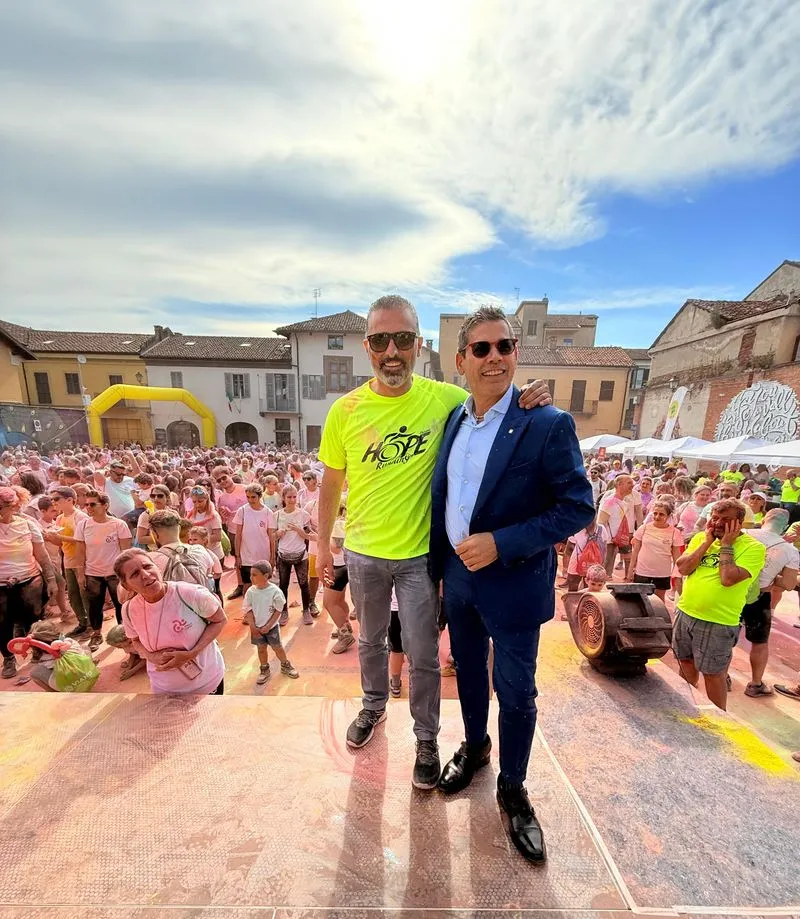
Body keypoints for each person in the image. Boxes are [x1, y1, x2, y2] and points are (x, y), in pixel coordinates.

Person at [316, 295, 550, 791]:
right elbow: (331, 484)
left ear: (418, 345)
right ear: (367, 347)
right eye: (381, 340)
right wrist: (322, 548)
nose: (392, 350)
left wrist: (529, 392)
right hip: (363, 552)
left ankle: (426, 739)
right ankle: (373, 706)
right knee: (369, 640)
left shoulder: (445, 399)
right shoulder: (345, 410)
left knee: (423, 655)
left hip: (420, 556)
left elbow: (492, 395)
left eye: (402, 339)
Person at [429, 305, 594, 865]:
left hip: (515, 581)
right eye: (482, 348)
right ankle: (476, 747)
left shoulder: (546, 422)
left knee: (518, 691)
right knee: (469, 673)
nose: (494, 357)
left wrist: (502, 542)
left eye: (505, 346)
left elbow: (577, 507)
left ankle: (513, 787)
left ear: (516, 353)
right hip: (459, 577)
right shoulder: (454, 420)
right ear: (461, 360)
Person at [673, 499, 766, 710]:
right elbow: (683, 568)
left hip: (718, 622)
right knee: (685, 662)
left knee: (713, 674)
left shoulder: (754, 548)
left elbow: (728, 578)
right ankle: (684, 708)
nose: (717, 523)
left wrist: (726, 545)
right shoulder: (701, 538)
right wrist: (707, 542)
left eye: (725, 519)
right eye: (715, 518)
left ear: (739, 523)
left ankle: (719, 718)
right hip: (686, 613)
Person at [114, 548, 226, 694]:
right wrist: (151, 656)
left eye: (147, 566)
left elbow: (220, 620)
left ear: (158, 568)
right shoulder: (129, 609)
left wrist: (192, 653)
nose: (145, 575)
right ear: (126, 585)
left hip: (206, 683)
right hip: (162, 688)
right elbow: (135, 640)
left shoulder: (190, 594)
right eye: (135, 574)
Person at [0, 486, 58, 679]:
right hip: (1, 587)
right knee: (2, 625)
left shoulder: (27, 525)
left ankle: (38, 652)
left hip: (30, 582)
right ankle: (9, 658)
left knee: (34, 621)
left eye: (1, 508)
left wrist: (51, 580)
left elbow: (42, 556)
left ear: (13, 506)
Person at [739, 509, 798, 697]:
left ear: (764, 519)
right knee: (759, 641)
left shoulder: (743, 534)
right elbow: (789, 584)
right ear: (785, 526)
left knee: (726, 636)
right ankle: (755, 684)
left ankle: (722, 677)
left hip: (733, 591)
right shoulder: (790, 550)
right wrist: (772, 578)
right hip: (760, 597)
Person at [73, 490, 132, 652]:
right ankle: (96, 634)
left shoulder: (118, 525)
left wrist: (125, 575)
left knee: (121, 605)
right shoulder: (83, 525)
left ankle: (123, 634)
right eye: (86, 504)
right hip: (92, 573)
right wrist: (80, 574)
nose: (88, 508)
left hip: (115, 574)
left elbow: (126, 552)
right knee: (94, 605)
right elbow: (80, 552)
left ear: (105, 505)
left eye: (92, 504)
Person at [242, 561, 299, 684]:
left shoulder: (275, 591)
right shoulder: (251, 592)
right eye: (251, 574)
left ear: (266, 575)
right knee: (261, 649)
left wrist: (268, 625)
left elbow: (278, 610)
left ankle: (285, 665)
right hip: (257, 628)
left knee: (277, 647)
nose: (251, 577)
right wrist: (252, 626)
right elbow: (248, 609)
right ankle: (264, 669)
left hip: (272, 628)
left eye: (254, 575)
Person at [49, 485, 90, 636]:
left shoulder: (80, 517)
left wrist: (59, 537)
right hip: (68, 560)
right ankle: (82, 622)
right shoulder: (59, 518)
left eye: (56, 499)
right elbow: (60, 543)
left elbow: (83, 540)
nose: (53, 502)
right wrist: (50, 538)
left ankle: (92, 625)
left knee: (85, 594)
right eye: (52, 499)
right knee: (73, 595)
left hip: (82, 561)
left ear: (70, 500)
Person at [274, 485, 314, 625]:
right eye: (289, 497)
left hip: (300, 554)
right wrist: (278, 534)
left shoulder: (304, 515)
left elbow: (309, 536)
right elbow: (272, 536)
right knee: (283, 584)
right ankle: (284, 611)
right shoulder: (277, 515)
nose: (292, 500)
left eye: (294, 497)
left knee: (304, 583)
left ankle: (306, 610)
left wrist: (299, 531)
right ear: (283, 498)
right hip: (283, 554)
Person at [629, 500, 684, 601]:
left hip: (662, 573)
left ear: (669, 516)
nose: (657, 517)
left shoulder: (675, 533)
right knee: (640, 600)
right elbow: (635, 551)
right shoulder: (643, 528)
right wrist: (630, 571)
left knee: (659, 601)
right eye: (655, 513)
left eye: (661, 514)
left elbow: (677, 557)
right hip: (642, 571)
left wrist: (678, 575)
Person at [231, 484, 276, 596]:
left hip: (263, 556)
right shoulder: (242, 511)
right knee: (247, 585)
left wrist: (272, 557)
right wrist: (238, 556)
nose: (250, 500)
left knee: (263, 585)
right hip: (246, 556)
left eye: (253, 497)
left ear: (260, 496)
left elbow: (271, 537)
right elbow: (238, 535)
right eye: (248, 497)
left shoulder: (268, 512)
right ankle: (247, 606)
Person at [326, 501, 355, 654]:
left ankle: (345, 636)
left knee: (329, 603)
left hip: (340, 566)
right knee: (339, 600)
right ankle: (345, 626)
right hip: (345, 565)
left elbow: (336, 548)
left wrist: (322, 539)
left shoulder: (338, 524)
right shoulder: (344, 523)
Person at [597, 475, 637, 579]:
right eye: (629, 483)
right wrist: (602, 540)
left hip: (617, 540)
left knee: (608, 572)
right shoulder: (609, 502)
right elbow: (600, 523)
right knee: (603, 572)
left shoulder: (623, 502)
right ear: (619, 484)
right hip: (608, 542)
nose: (632, 485)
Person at [564, 517, 608, 591]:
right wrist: (601, 565)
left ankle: (575, 598)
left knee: (573, 586)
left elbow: (569, 549)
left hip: (577, 561)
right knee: (589, 587)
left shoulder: (576, 528)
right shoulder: (601, 529)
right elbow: (604, 549)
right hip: (594, 563)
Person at [93, 454, 139, 518]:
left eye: (123, 474)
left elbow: (140, 476)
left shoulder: (129, 480)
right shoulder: (105, 482)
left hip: (131, 518)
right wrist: (106, 470)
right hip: (112, 518)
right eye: (118, 474)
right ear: (110, 472)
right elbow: (97, 473)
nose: (121, 476)